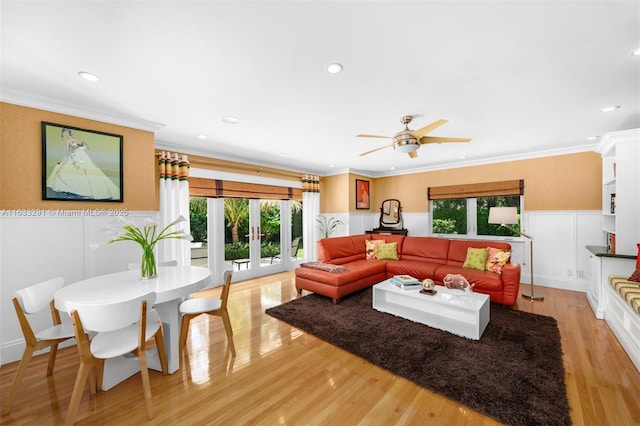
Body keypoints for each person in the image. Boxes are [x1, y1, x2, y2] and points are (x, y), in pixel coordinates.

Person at [46, 128, 120, 200]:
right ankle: (77, 189)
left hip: (74, 157)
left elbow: (67, 152)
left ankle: (75, 189)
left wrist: (63, 159)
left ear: (66, 132)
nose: (64, 134)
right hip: (78, 156)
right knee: (80, 172)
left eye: (64, 132)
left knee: (65, 171)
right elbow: (76, 148)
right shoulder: (74, 139)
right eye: (64, 133)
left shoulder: (69, 141)